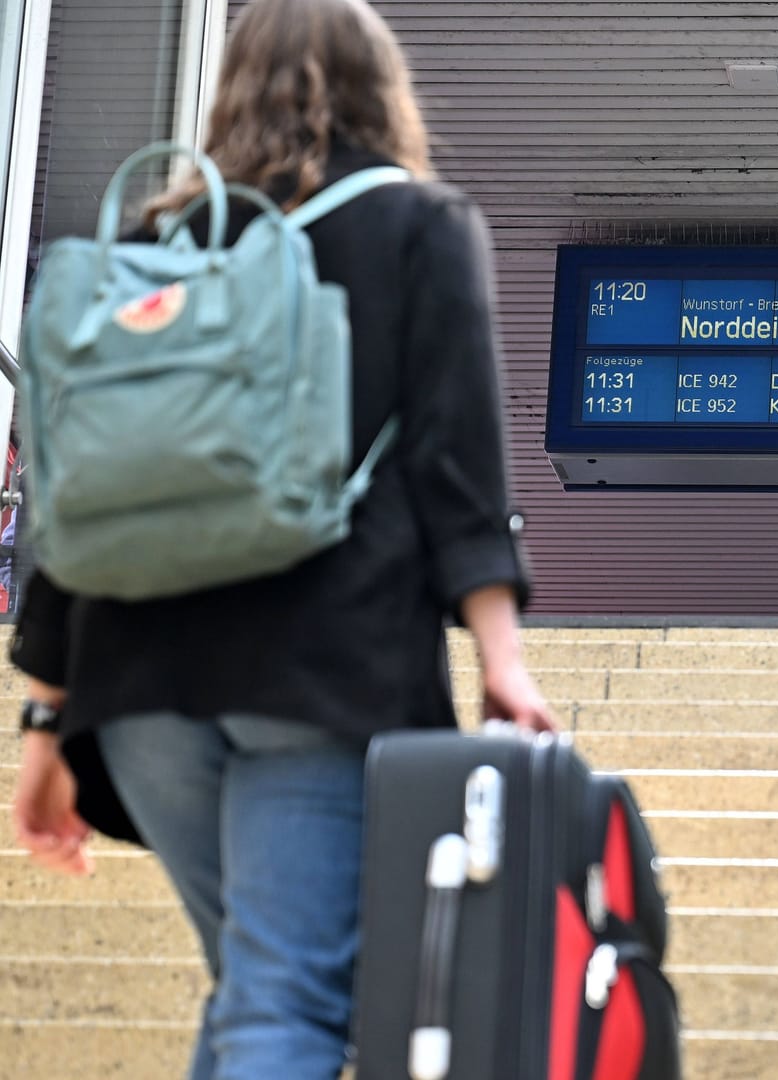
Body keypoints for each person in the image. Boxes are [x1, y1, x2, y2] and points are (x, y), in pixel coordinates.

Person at [7, 1, 553, 1077]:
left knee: (262, 988)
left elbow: (79, 492)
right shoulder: (419, 226)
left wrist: (44, 720)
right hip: (321, 664)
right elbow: (458, 465)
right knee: (291, 998)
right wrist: (504, 659)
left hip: (143, 685)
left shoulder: (150, 252)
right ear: (380, 90)